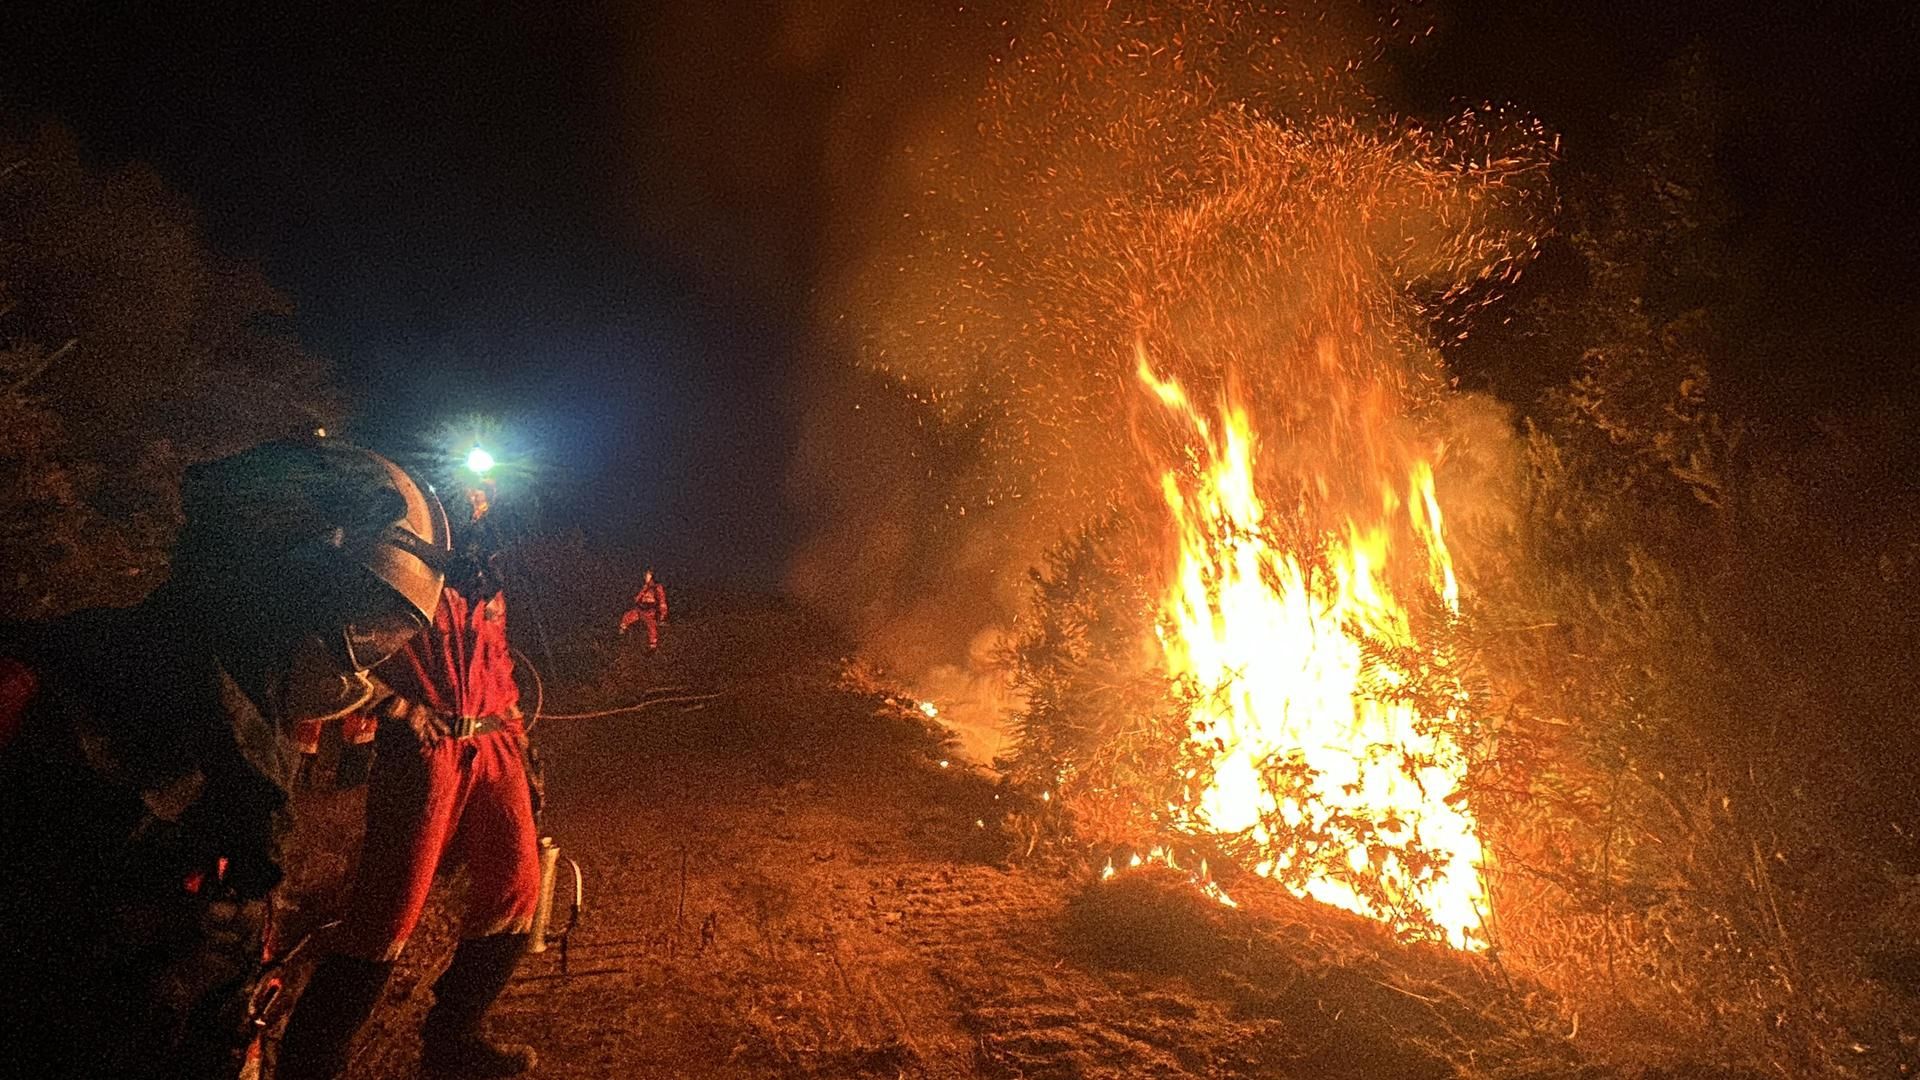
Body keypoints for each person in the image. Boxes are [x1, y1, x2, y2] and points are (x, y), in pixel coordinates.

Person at [0, 439, 451, 1080]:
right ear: (283, 587)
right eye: (362, 626)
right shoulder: (47, 693)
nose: (363, 661)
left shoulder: (245, 742)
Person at [277, 483, 541, 1080]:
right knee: (387, 912)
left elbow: (497, 661)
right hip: (426, 751)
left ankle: (454, 1042)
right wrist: (399, 709)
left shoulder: (484, 580)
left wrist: (522, 745)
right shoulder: (397, 570)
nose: (481, 506)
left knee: (517, 887)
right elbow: (331, 661)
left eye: (486, 498)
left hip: (495, 741)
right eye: (470, 496)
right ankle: (309, 1065)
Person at [617, 568, 668, 652]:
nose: (646, 577)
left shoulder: (656, 587)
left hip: (650, 610)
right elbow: (639, 597)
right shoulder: (645, 587)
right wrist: (637, 599)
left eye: (648, 575)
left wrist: (662, 614)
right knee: (629, 615)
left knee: (651, 625)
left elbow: (662, 600)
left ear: (652, 576)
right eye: (646, 575)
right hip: (641, 608)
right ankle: (622, 629)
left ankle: (653, 645)